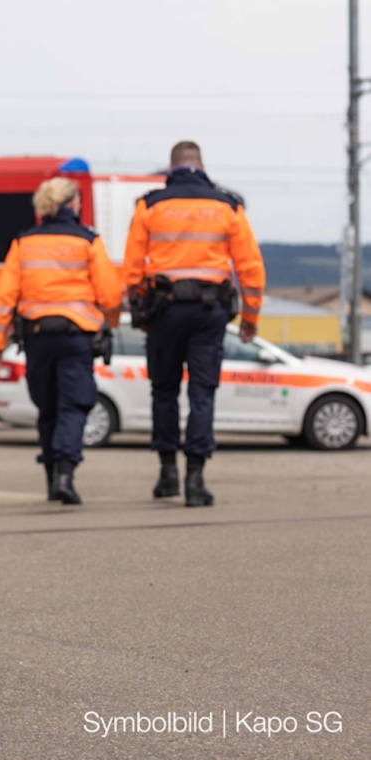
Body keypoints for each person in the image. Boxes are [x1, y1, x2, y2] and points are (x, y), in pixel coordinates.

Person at [123, 141, 265, 507]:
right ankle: (196, 479)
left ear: (171, 166)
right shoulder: (227, 205)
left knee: (164, 391)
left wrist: (141, 312)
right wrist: (250, 318)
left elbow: (133, 267)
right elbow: (250, 268)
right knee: (202, 393)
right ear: (202, 165)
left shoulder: (149, 204)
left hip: (164, 312)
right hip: (208, 312)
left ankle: (167, 472)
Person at [0, 178, 123, 504]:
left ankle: (51, 476)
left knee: (46, 406)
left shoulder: (24, 242)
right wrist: (112, 321)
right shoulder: (88, 240)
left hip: (37, 338)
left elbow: (4, 295)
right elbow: (110, 292)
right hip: (76, 337)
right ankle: (64, 472)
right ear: (71, 204)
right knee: (73, 405)